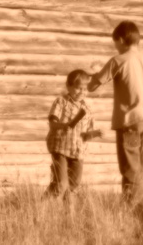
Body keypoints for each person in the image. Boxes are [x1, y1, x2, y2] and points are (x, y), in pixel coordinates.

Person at [87, 21, 143, 203]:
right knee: (139, 165)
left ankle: (131, 209)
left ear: (121, 40)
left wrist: (94, 74)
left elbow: (92, 86)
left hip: (129, 120)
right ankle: (138, 205)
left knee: (130, 167)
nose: (115, 47)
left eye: (115, 43)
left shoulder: (119, 60)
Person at [43, 69, 102, 204]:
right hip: (60, 148)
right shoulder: (61, 102)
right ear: (68, 86)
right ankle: (42, 205)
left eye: (85, 89)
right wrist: (65, 125)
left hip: (77, 151)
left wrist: (94, 134)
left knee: (73, 186)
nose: (82, 92)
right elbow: (53, 123)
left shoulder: (87, 109)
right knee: (61, 185)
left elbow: (85, 135)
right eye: (78, 88)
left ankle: (70, 216)